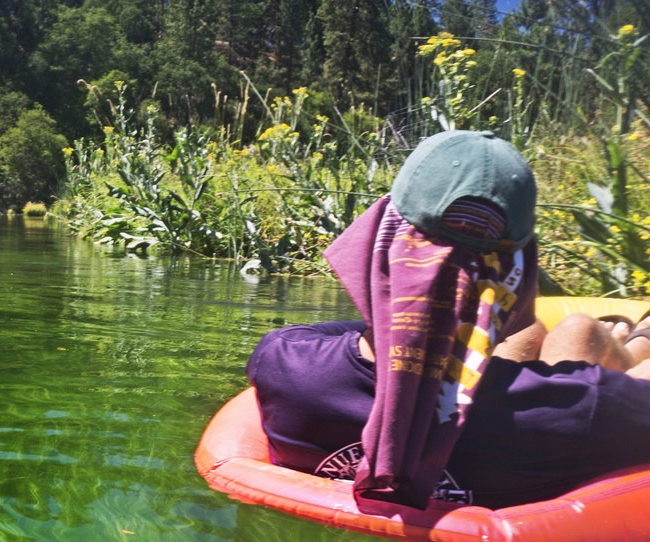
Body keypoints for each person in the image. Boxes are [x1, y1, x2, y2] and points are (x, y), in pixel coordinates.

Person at [247, 130, 650, 510]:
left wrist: (412, 331)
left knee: (543, 335)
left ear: (373, 238)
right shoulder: (585, 407)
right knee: (577, 332)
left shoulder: (283, 363)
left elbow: (335, 337)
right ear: (521, 270)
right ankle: (638, 340)